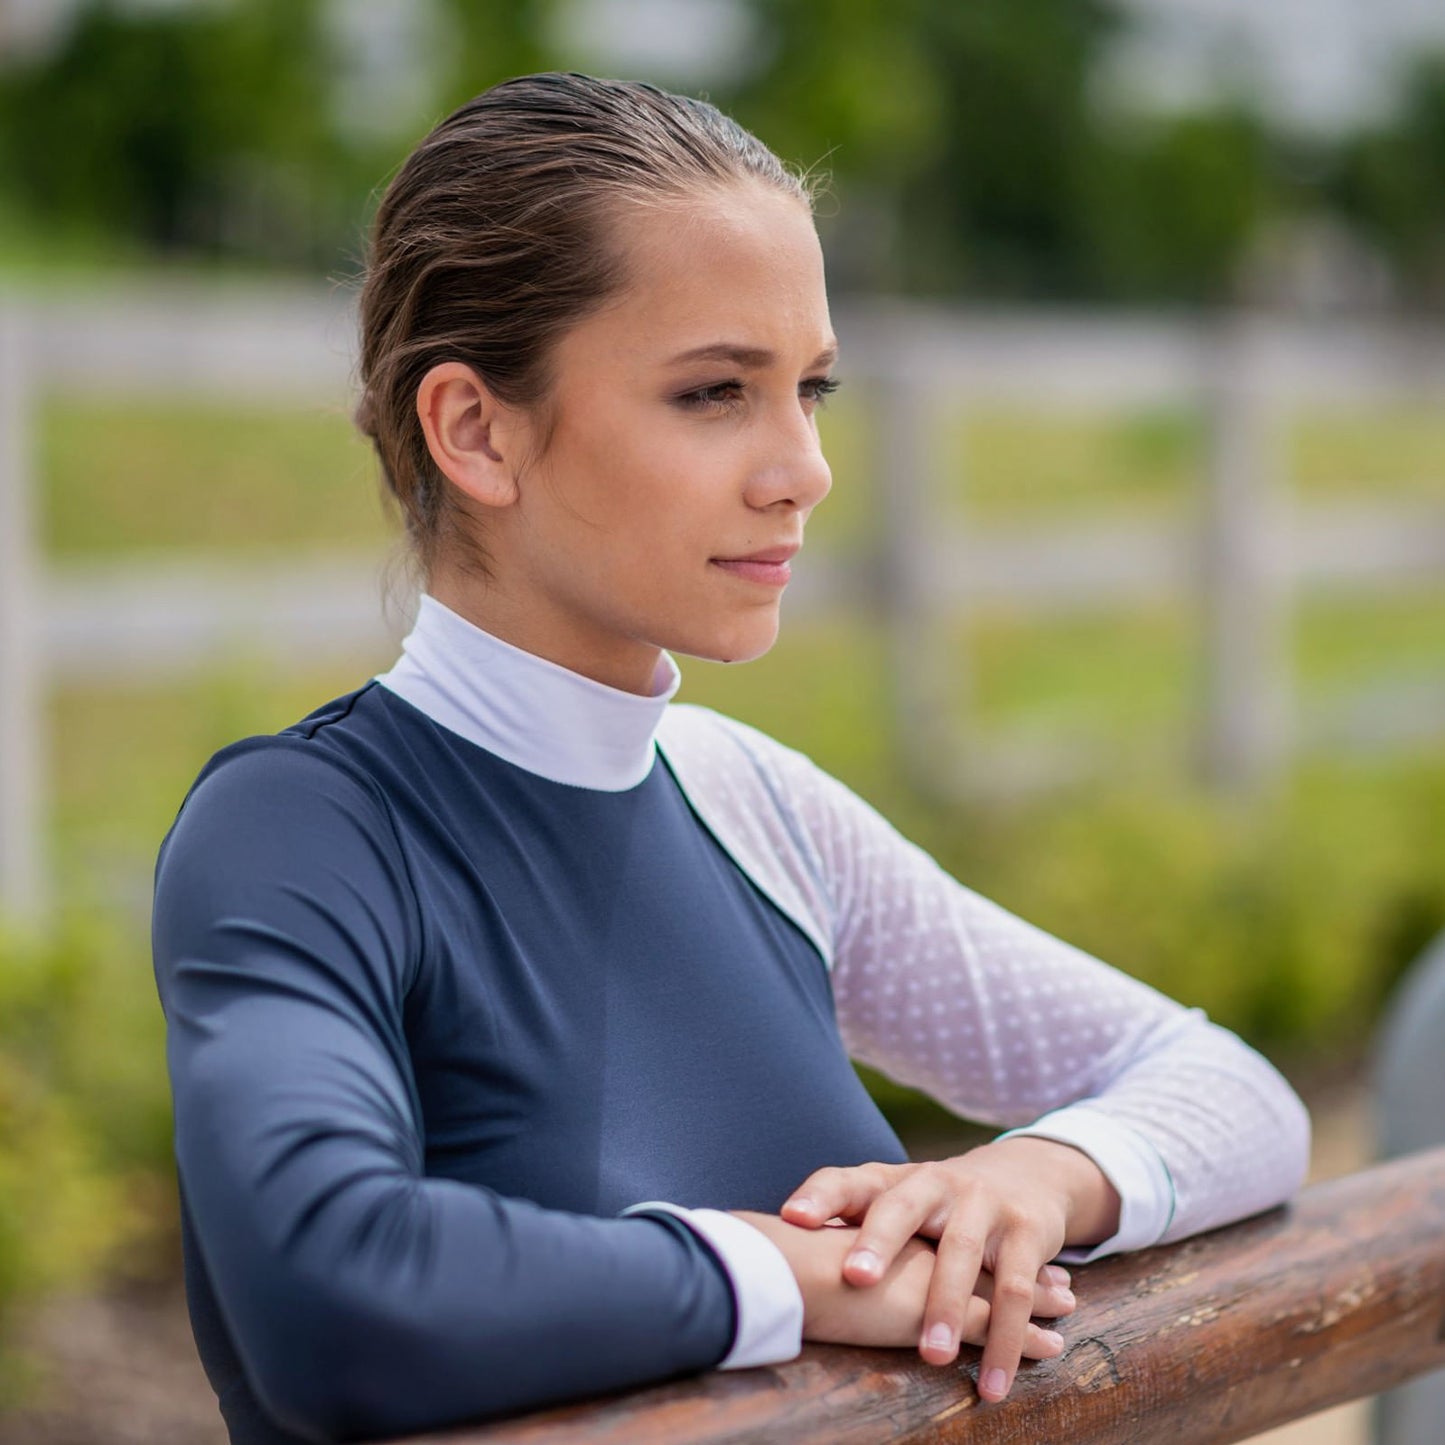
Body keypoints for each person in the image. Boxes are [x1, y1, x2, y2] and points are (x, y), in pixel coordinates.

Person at [151, 72, 1311, 1445]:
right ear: (472, 428)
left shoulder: (745, 799)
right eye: (714, 392)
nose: (803, 467)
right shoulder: (299, 831)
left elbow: (1233, 1091)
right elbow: (333, 1295)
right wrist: (800, 1270)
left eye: (808, 388)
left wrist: (1041, 1176)